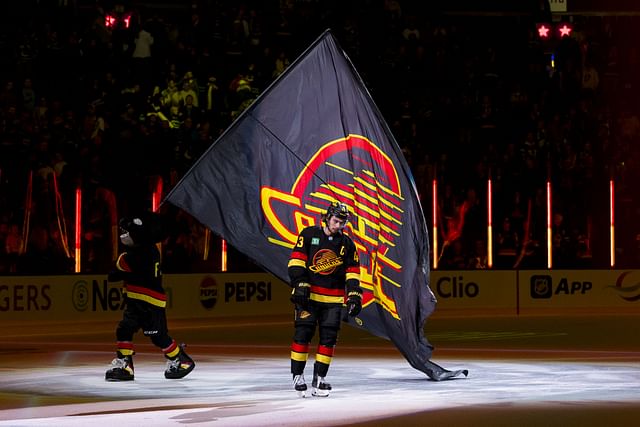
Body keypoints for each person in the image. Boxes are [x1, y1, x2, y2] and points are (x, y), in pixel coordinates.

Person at [105, 212, 195, 381]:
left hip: (149, 301)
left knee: (159, 336)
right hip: (136, 300)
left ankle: (181, 359)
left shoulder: (141, 253)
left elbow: (119, 267)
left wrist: (119, 263)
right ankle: (125, 364)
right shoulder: (147, 250)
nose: (124, 234)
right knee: (124, 329)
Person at [287, 201, 363, 397]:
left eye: (342, 223)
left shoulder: (347, 244)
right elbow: (296, 261)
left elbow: (353, 272)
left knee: (329, 339)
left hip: (334, 300)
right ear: (327, 218)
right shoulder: (308, 234)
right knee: (303, 334)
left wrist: (354, 294)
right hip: (309, 298)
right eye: (336, 221)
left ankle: (319, 379)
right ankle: (297, 376)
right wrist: (300, 282)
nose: (338, 226)